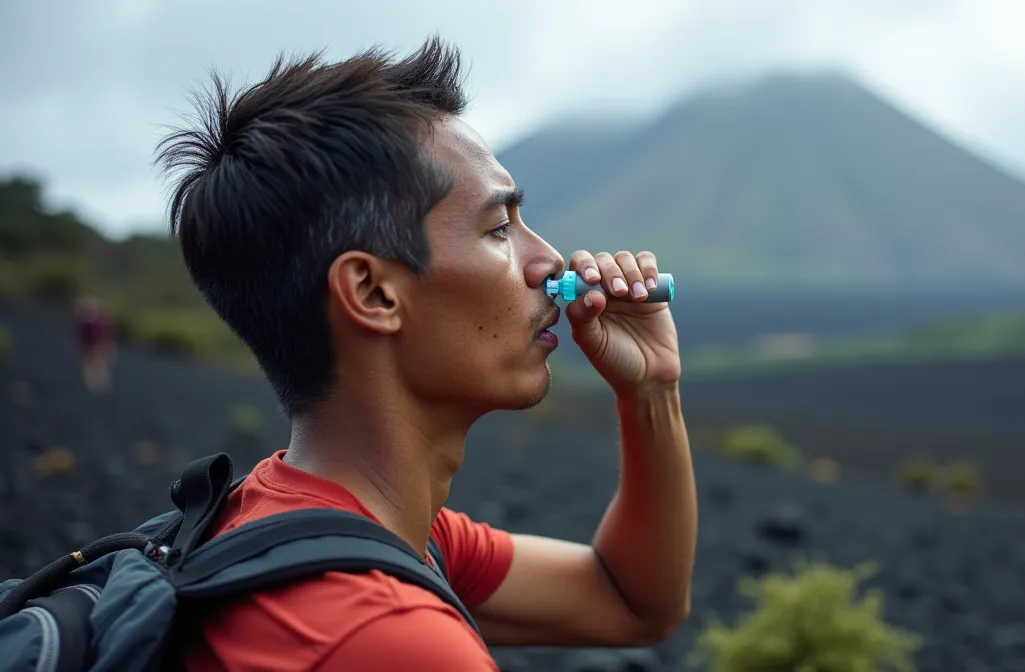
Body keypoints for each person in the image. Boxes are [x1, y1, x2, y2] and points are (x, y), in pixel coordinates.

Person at [154, 35, 696, 670]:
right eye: (499, 228)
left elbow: (630, 602)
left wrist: (652, 389)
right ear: (373, 293)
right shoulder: (386, 634)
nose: (549, 260)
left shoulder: (289, 524)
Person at [72, 295, 114, 393]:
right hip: (91, 345)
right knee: (92, 363)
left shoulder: (94, 320)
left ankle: (99, 382)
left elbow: (104, 333)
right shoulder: (92, 320)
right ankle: (95, 383)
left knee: (96, 363)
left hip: (95, 345)